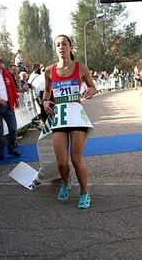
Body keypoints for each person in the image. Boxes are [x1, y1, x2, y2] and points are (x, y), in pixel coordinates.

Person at [42, 34, 97, 208]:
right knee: (62, 162)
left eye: (64, 44)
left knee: (75, 159)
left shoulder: (81, 68)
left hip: (76, 115)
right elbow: (47, 90)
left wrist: (91, 91)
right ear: (55, 49)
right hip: (59, 116)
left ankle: (84, 192)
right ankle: (66, 181)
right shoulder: (49, 70)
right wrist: (45, 101)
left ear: (71, 47)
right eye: (58, 44)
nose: (61, 47)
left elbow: (92, 86)